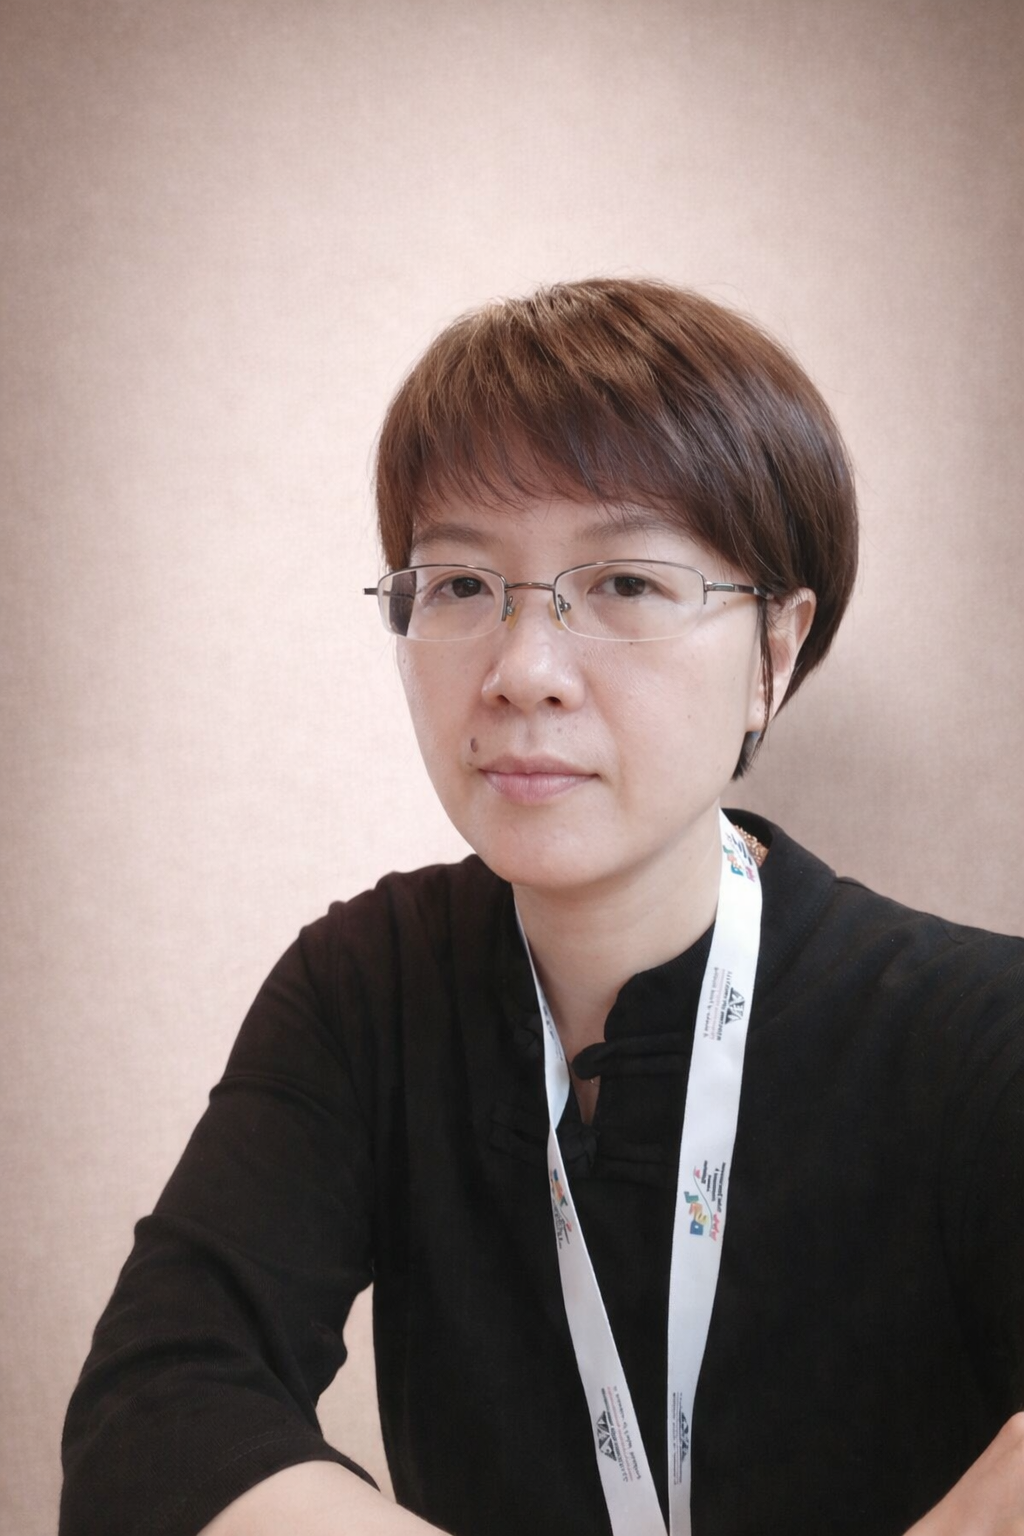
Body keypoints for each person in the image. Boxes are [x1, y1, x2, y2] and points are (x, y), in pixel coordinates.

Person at [60, 278, 1024, 1536]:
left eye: (623, 582)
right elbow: (155, 1414)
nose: (523, 672)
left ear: (775, 652)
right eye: (462, 584)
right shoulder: (367, 989)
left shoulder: (976, 1031)